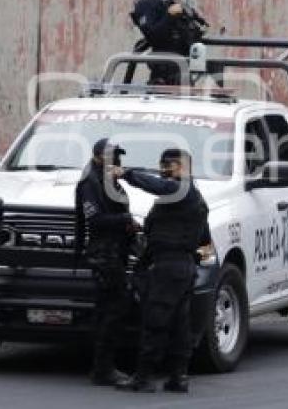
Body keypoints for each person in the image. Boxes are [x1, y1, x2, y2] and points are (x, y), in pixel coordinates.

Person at [116, 148, 213, 393]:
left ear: (182, 167)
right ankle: (178, 377)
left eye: (168, 167)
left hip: (170, 268)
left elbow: (157, 186)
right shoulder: (193, 199)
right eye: (161, 167)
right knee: (180, 325)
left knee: (155, 322)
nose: (163, 173)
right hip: (182, 268)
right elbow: (204, 240)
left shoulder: (181, 190)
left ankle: (144, 377)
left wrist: (126, 174)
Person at [75, 138, 136, 386]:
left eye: (118, 156)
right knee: (115, 308)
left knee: (108, 309)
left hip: (115, 252)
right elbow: (96, 220)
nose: (116, 161)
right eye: (112, 156)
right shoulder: (90, 183)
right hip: (104, 254)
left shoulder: (109, 181)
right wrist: (125, 221)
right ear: (98, 157)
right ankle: (104, 368)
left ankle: (102, 366)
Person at [131, 0, 209, 85]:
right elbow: (153, 36)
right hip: (163, 74)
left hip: (184, 72)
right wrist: (170, 16)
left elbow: (194, 32)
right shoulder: (147, 3)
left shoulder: (170, 2)